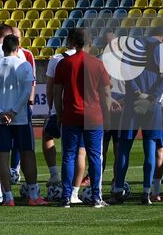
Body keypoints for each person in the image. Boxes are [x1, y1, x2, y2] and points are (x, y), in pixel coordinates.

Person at [54, 26, 113, 208]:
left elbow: (57, 93)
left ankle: (66, 197)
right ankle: (96, 197)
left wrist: (59, 113)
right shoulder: (97, 64)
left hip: (71, 114)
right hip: (93, 116)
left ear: (72, 42)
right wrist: (108, 115)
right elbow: (106, 95)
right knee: (95, 157)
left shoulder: (64, 63)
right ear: (90, 42)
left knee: (69, 156)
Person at [0, 32, 47, 205]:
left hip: (0, 118)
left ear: (3, 48)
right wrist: (13, 112)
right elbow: (27, 92)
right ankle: (33, 195)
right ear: (17, 47)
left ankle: (8, 197)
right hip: (19, 117)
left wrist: (1, 112)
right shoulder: (25, 66)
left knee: (3, 157)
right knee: (28, 154)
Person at [114, 27, 163, 204]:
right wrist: (153, 95)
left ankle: (118, 189)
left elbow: (125, 74)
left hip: (132, 103)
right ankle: (146, 192)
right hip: (152, 105)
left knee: (124, 147)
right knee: (150, 147)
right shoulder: (162, 49)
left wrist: (137, 92)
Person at [42, 30, 77, 194]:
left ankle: (55, 174)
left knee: (48, 136)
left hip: (59, 108)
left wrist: (51, 107)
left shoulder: (56, 59)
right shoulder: (90, 59)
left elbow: (50, 87)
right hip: (80, 109)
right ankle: (76, 186)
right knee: (80, 148)